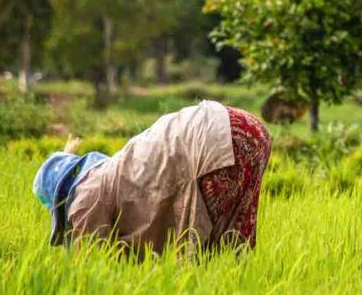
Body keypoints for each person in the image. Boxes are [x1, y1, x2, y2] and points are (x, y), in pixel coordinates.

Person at [33, 101, 271, 255]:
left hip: (214, 142)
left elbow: (88, 269)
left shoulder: (83, 198)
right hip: (248, 129)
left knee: (203, 255)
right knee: (227, 249)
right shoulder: (115, 169)